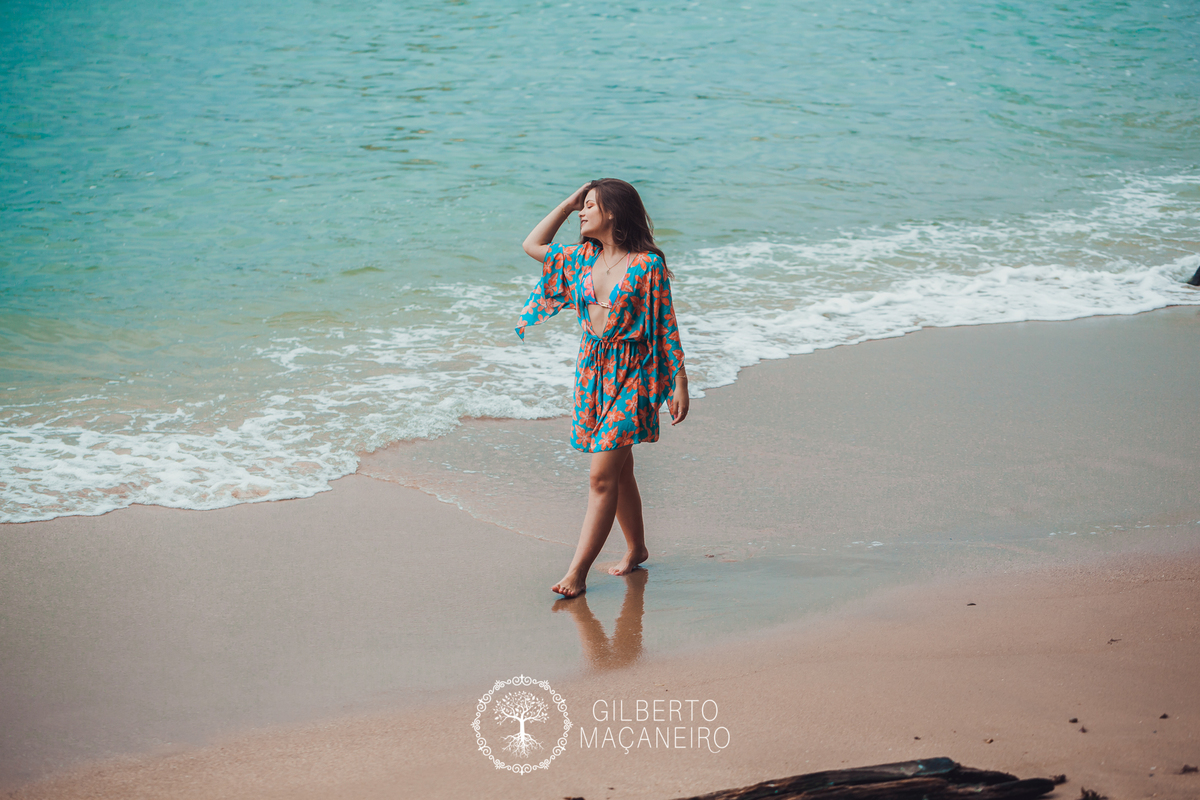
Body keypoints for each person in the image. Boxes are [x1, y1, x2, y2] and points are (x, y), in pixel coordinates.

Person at [517, 178, 688, 598]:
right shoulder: (580, 258)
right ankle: (637, 549)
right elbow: (531, 245)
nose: (582, 212)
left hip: (635, 372)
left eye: (590, 205)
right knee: (620, 469)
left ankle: (577, 573)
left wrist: (679, 381)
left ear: (612, 212)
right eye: (582, 206)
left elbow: (667, 325)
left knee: (600, 477)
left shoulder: (647, 266)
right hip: (592, 373)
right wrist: (566, 202)